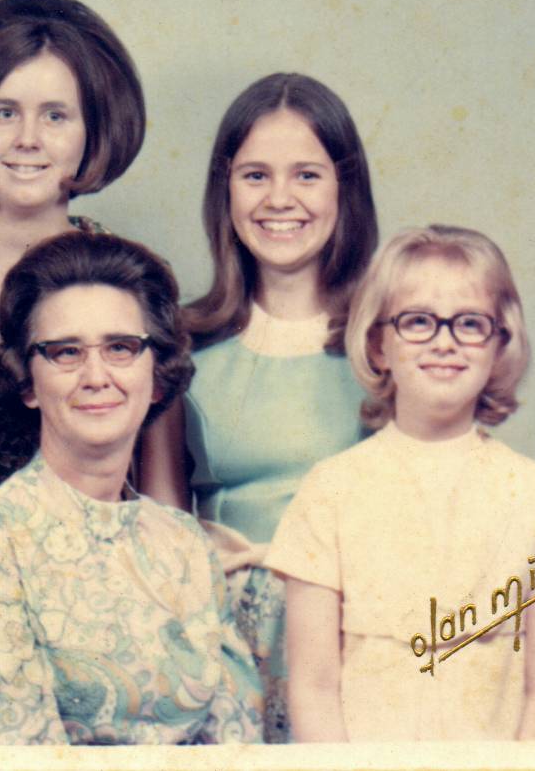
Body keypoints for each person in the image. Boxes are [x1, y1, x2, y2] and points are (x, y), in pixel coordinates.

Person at [0, 232, 264, 745]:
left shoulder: (185, 543)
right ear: (27, 381)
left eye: (121, 348)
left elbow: (239, 736)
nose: (96, 376)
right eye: (66, 352)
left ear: (157, 374)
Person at [264, 225, 535, 740]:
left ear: (499, 345)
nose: (445, 342)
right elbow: (313, 687)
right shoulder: (330, 492)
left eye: (469, 323)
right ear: (378, 344)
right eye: (418, 321)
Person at [138, 72, 378, 741]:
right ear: (226, 190)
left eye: (307, 175)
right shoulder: (182, 343)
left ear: (345, 188)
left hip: (359, 640)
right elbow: (163, 529)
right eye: (255, 176)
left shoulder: (385, 341)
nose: (279, 199)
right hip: (227, 647)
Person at [0, 0, 145, 477]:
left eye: (55, 116)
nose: (28, 139)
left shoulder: (124, 275)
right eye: (4, 113)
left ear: (94, 130)